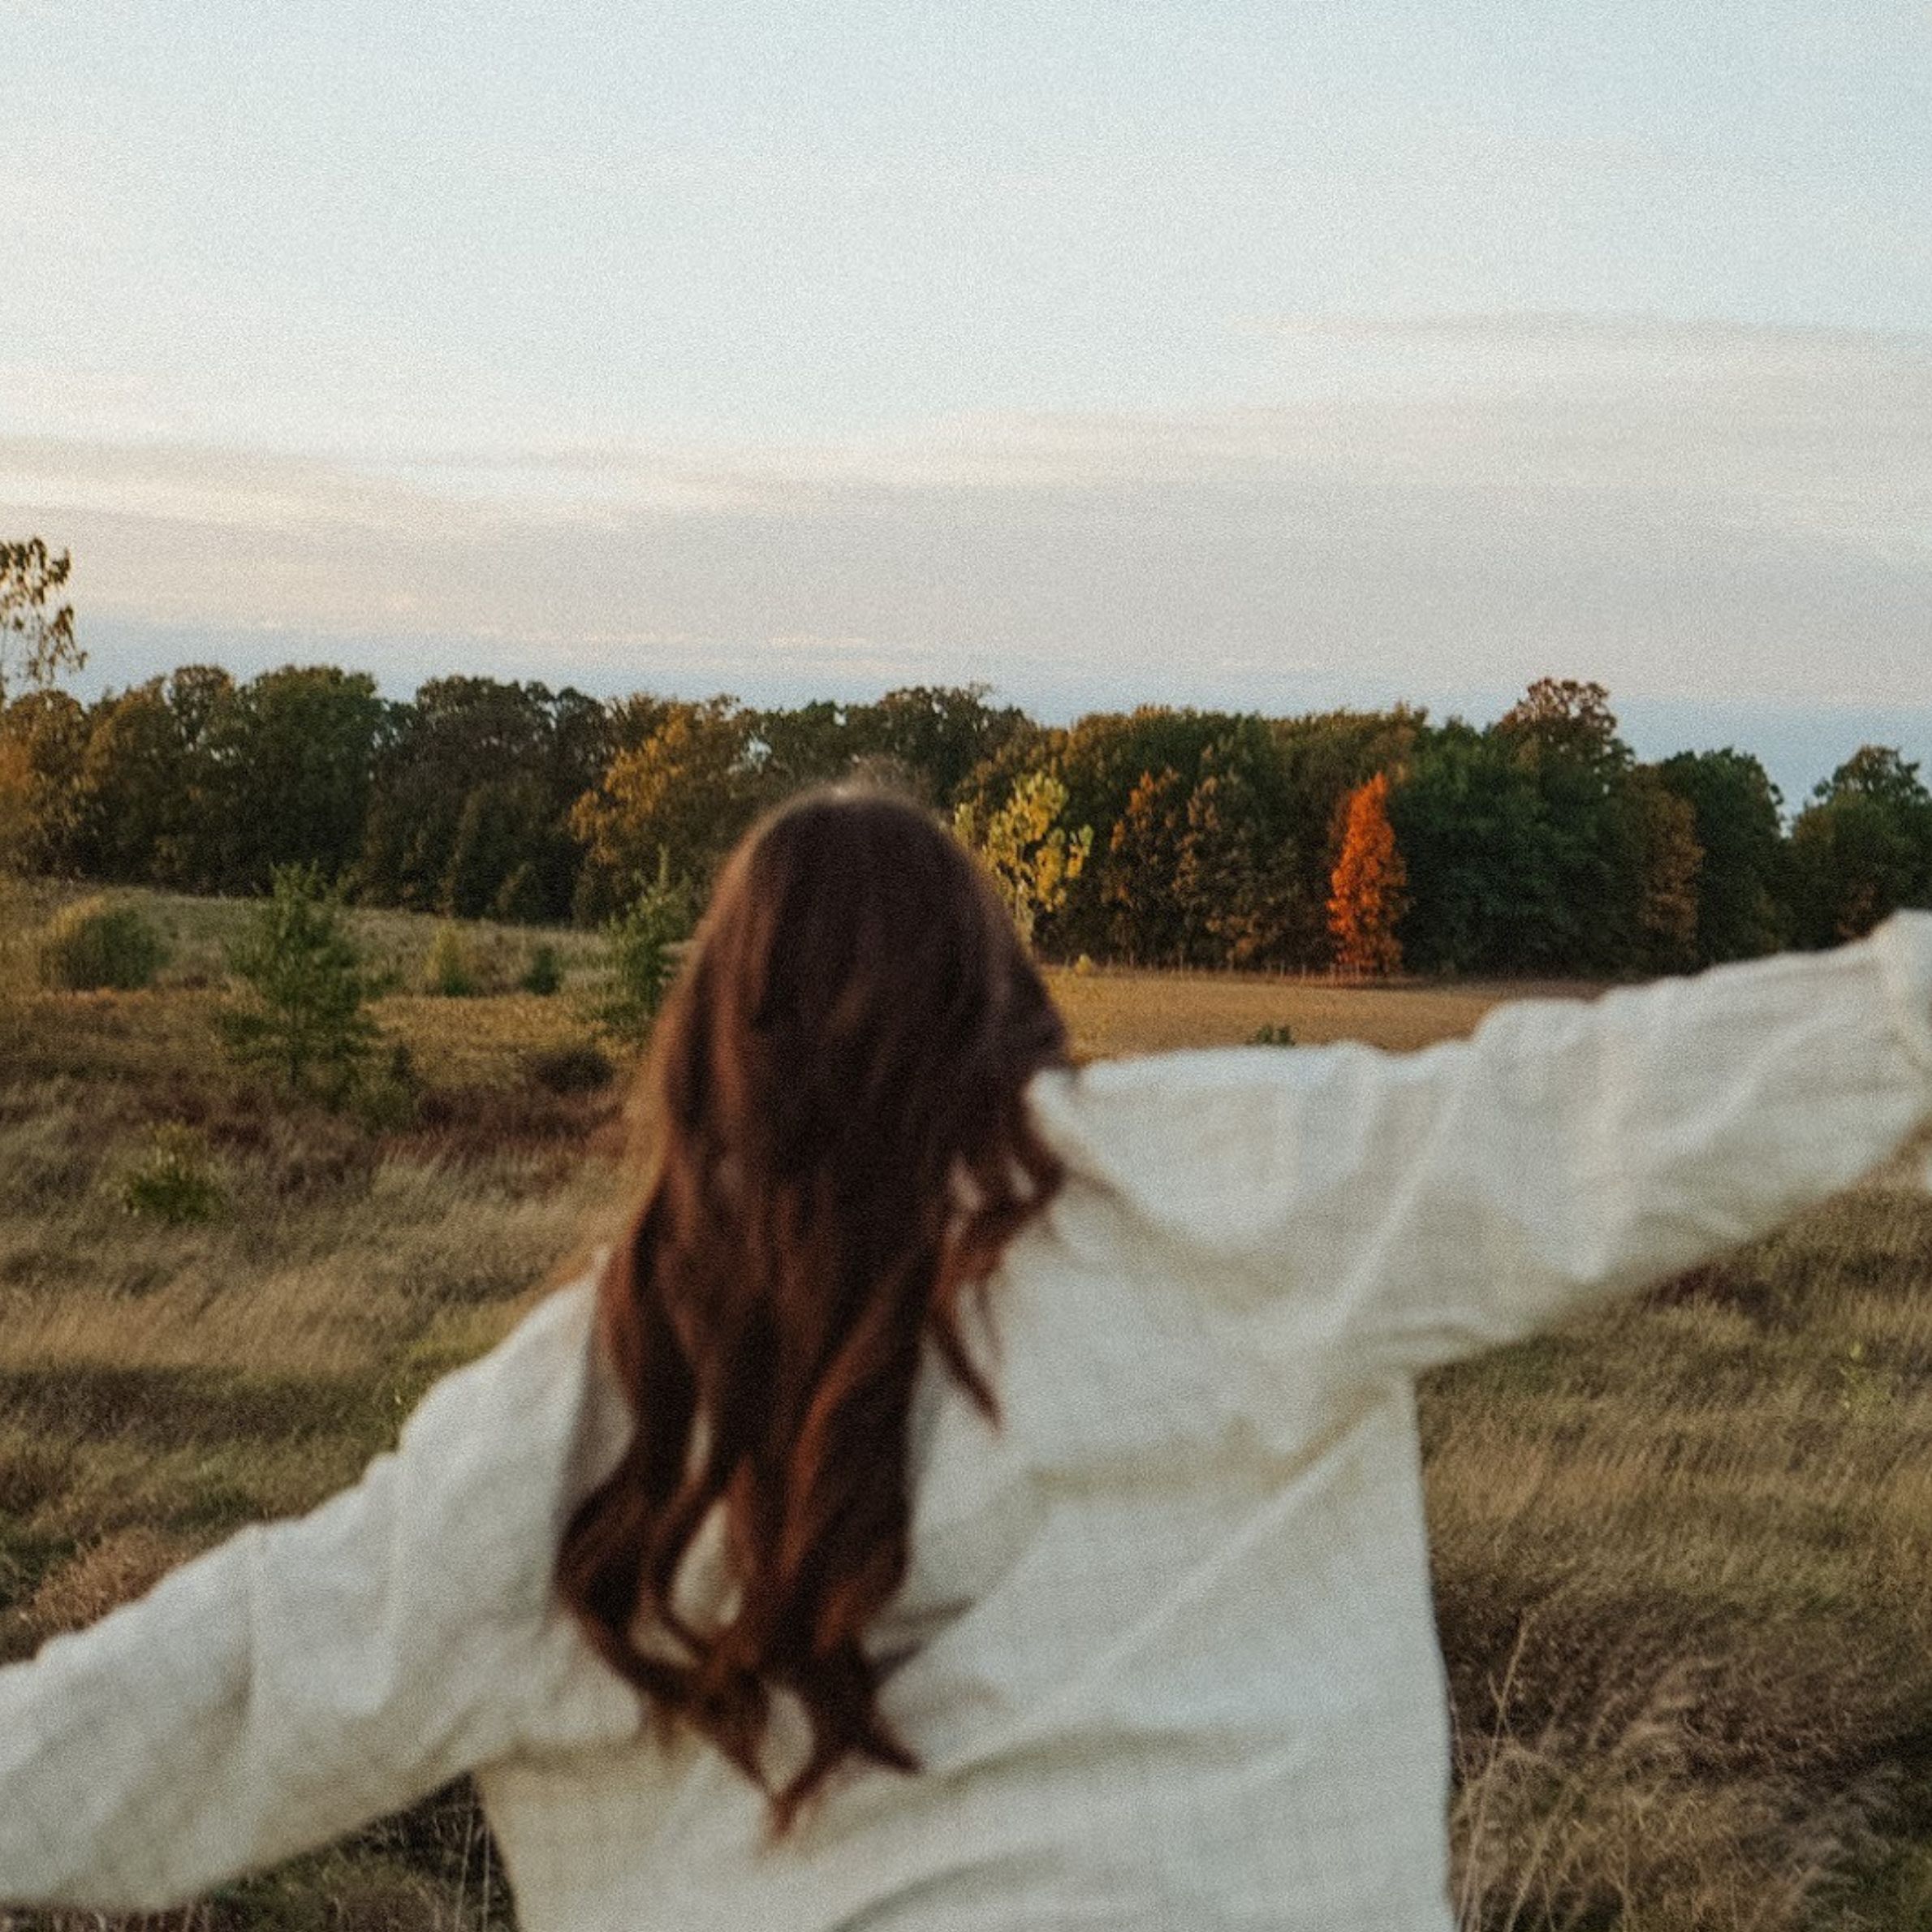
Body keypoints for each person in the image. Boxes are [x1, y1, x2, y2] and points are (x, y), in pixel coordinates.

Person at [3, 783, 1930, 1931]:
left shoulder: (586, 1403)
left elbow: (218, 1687)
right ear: (1007, 1000)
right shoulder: (1227, 1190)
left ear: (703, 1054)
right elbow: (1605, 1103)